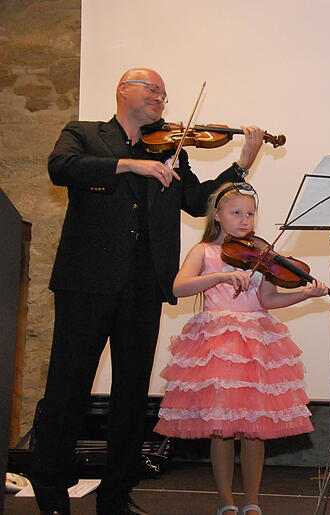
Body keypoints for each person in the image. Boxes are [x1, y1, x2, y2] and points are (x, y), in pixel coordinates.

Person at [31, 68, 265, 515]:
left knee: (131, 392)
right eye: (153, 89)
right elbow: (61, 168)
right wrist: (129, 164)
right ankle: (51, 490)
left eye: (164, 93)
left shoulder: (172, 147)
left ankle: (116, 495)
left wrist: (242, 164)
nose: (161, 98)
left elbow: (198, 203)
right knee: (69, 386)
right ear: (124, 89)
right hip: (88, 280)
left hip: (143, 283)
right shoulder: (84, 134)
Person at [153, 182, 328, 515]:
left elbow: (268, 299)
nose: (244, 219)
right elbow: (178, 285)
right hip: (217, 342)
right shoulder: (204, 251)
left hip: (257, 343)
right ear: (218, 215)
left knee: (254, 428)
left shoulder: (259, 255)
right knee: (221, 429)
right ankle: (226, 501)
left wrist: (304, 294)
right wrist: (218, 278)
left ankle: (252, 501)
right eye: (236, 213)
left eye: (250, 213)